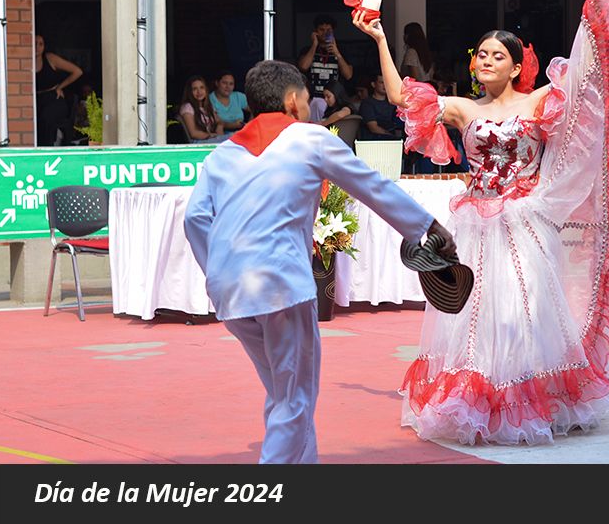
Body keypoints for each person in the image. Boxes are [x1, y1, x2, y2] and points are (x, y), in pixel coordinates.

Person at [353, 0, 609, 445]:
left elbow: (588, 74)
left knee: (524, 313)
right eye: (481, 54)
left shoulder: (540, 101)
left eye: (497, 55)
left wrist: (595, 16)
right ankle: (482, 398)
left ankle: (534, 399)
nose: (486, 60)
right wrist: (380, 38)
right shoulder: (466, 109)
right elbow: (402, 96)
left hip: (526, 221)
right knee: (476, 313)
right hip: (477, 221)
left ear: (515, 66)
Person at [183, 60, 455, 464]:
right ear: (294, 101)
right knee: (293, 397)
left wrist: (220, 270)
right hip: (280, 285)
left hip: (230, 290)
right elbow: (372, 185)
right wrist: (427, 227)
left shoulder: (222, 154)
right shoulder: (310, 140)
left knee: (283, 392)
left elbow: (195, 219)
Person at [297, 14, 354, 122]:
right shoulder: (307, 50)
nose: (325, 33)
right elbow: (304, 66)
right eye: (321, 30)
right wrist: (314, 44)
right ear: (316, 31)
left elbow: (348, 75)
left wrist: (337, 53)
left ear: (333, 31)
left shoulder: (341, 50)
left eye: (329, 30)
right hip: (314, 99)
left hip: (335, 100)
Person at [35, 34, 83, 146]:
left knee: (47, 116)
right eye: (34, 43)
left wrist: (60, 87)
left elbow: (77, 71)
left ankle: (48, 150)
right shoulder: (21, 61)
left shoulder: (50, 58)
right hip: (34, 100)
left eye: (40, 44)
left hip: (53, 97)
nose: (37, 47)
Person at [178, 75, 226, 143]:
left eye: (201, 88)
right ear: (189, 92)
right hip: (199, 142)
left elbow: (219, 121)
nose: (199, 92)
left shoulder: (207, 106)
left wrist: (219, 126)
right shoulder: (187, 107)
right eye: (195, 89)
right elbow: (193, 133)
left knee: (234, 136)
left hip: (211, 139)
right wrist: (212, 135)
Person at [357, 73, 404, 141]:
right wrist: (393, 137)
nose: (385, 85)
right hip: (374, 141)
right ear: (373, 84)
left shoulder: (392, 102)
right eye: (381, 82)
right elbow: (373, 128)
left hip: (393, 140)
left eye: (386, 82)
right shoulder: (367, 103)